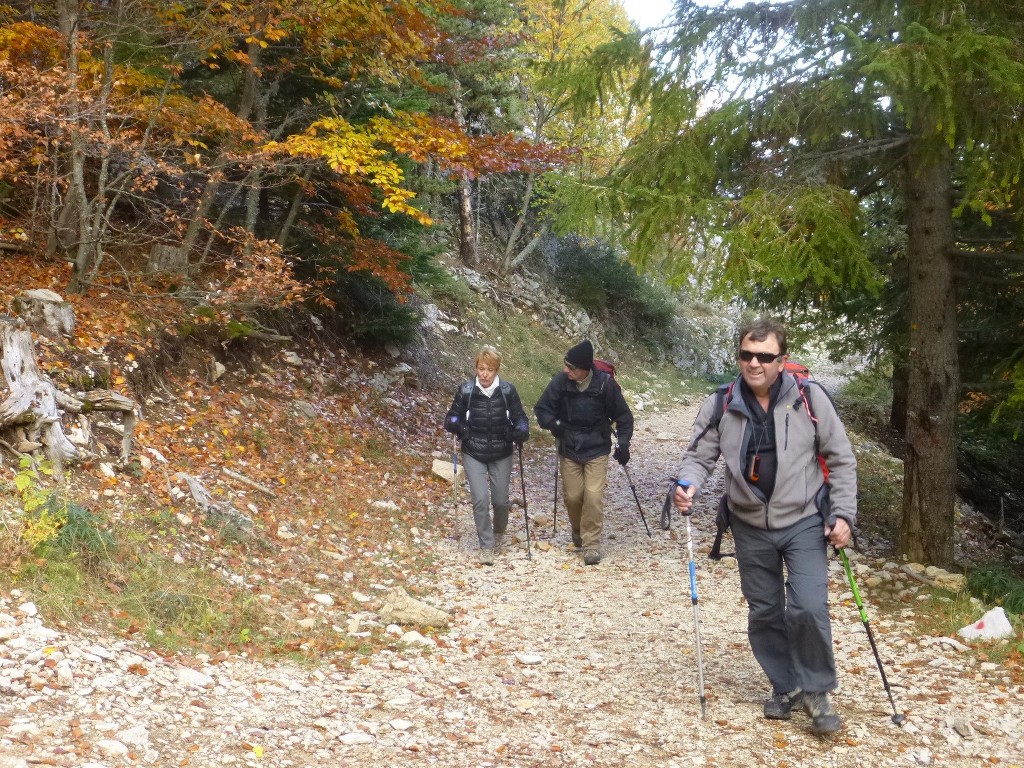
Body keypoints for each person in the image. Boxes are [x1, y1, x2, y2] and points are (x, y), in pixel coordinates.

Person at [672, 317, 856, 734]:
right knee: (765, 610)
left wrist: (843, 514)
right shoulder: (721, 402)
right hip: (749, 523)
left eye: (765, 356)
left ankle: (816, 691)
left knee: (808, 606)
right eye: (746, 355)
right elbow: (699, 455)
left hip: (805, 520)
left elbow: (841, 458)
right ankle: (786, 685)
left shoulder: (810, 399)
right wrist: (687, 484)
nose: (754, 363)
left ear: (782, 361)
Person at [534, 339, 634, 566]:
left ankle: (591, 544)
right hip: (569, 447)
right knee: (573, 496)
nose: (565, 370)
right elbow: (542, 409)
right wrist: (553, 424)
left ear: (584, 369)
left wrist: (624, 444)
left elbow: (624, 418)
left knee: (593, 495)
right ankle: (578, 530)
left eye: (571, 367)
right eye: (565, 366)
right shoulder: (561, 382)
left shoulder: (605, 385)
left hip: (597, 447)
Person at [444, 345, 530, 566]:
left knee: (500, 502)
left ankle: (499, 531)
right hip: (474, 451)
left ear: (496, 370)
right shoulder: (466, 390)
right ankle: (486, 545)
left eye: (489, 369)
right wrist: (460, 428)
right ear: (476, 368)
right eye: (481, 368)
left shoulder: (507, 391)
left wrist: (520, 430)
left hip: (502, 450)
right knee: (480, 500)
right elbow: (451, 418)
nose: (484, 374)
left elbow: (521, 418)